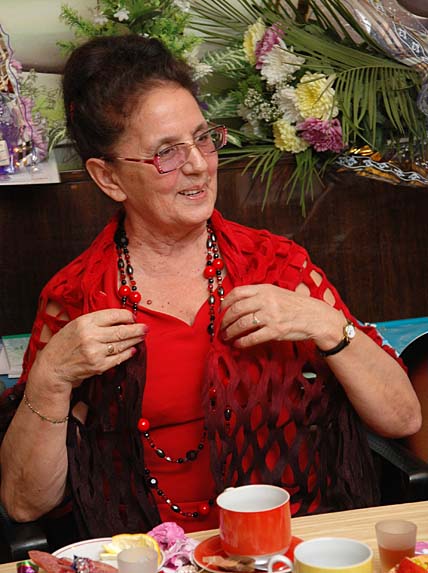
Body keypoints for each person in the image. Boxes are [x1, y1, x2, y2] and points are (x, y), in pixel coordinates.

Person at [0, 35, 421, 540]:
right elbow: (24, 503)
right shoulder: (76, 297)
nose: (199, 164)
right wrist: (50, 379)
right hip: (148, 555)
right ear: (108, 178)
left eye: (203, 138)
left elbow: (403, 418)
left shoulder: (278, 266)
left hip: (290, 544)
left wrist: (327, 325)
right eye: (166, 152)